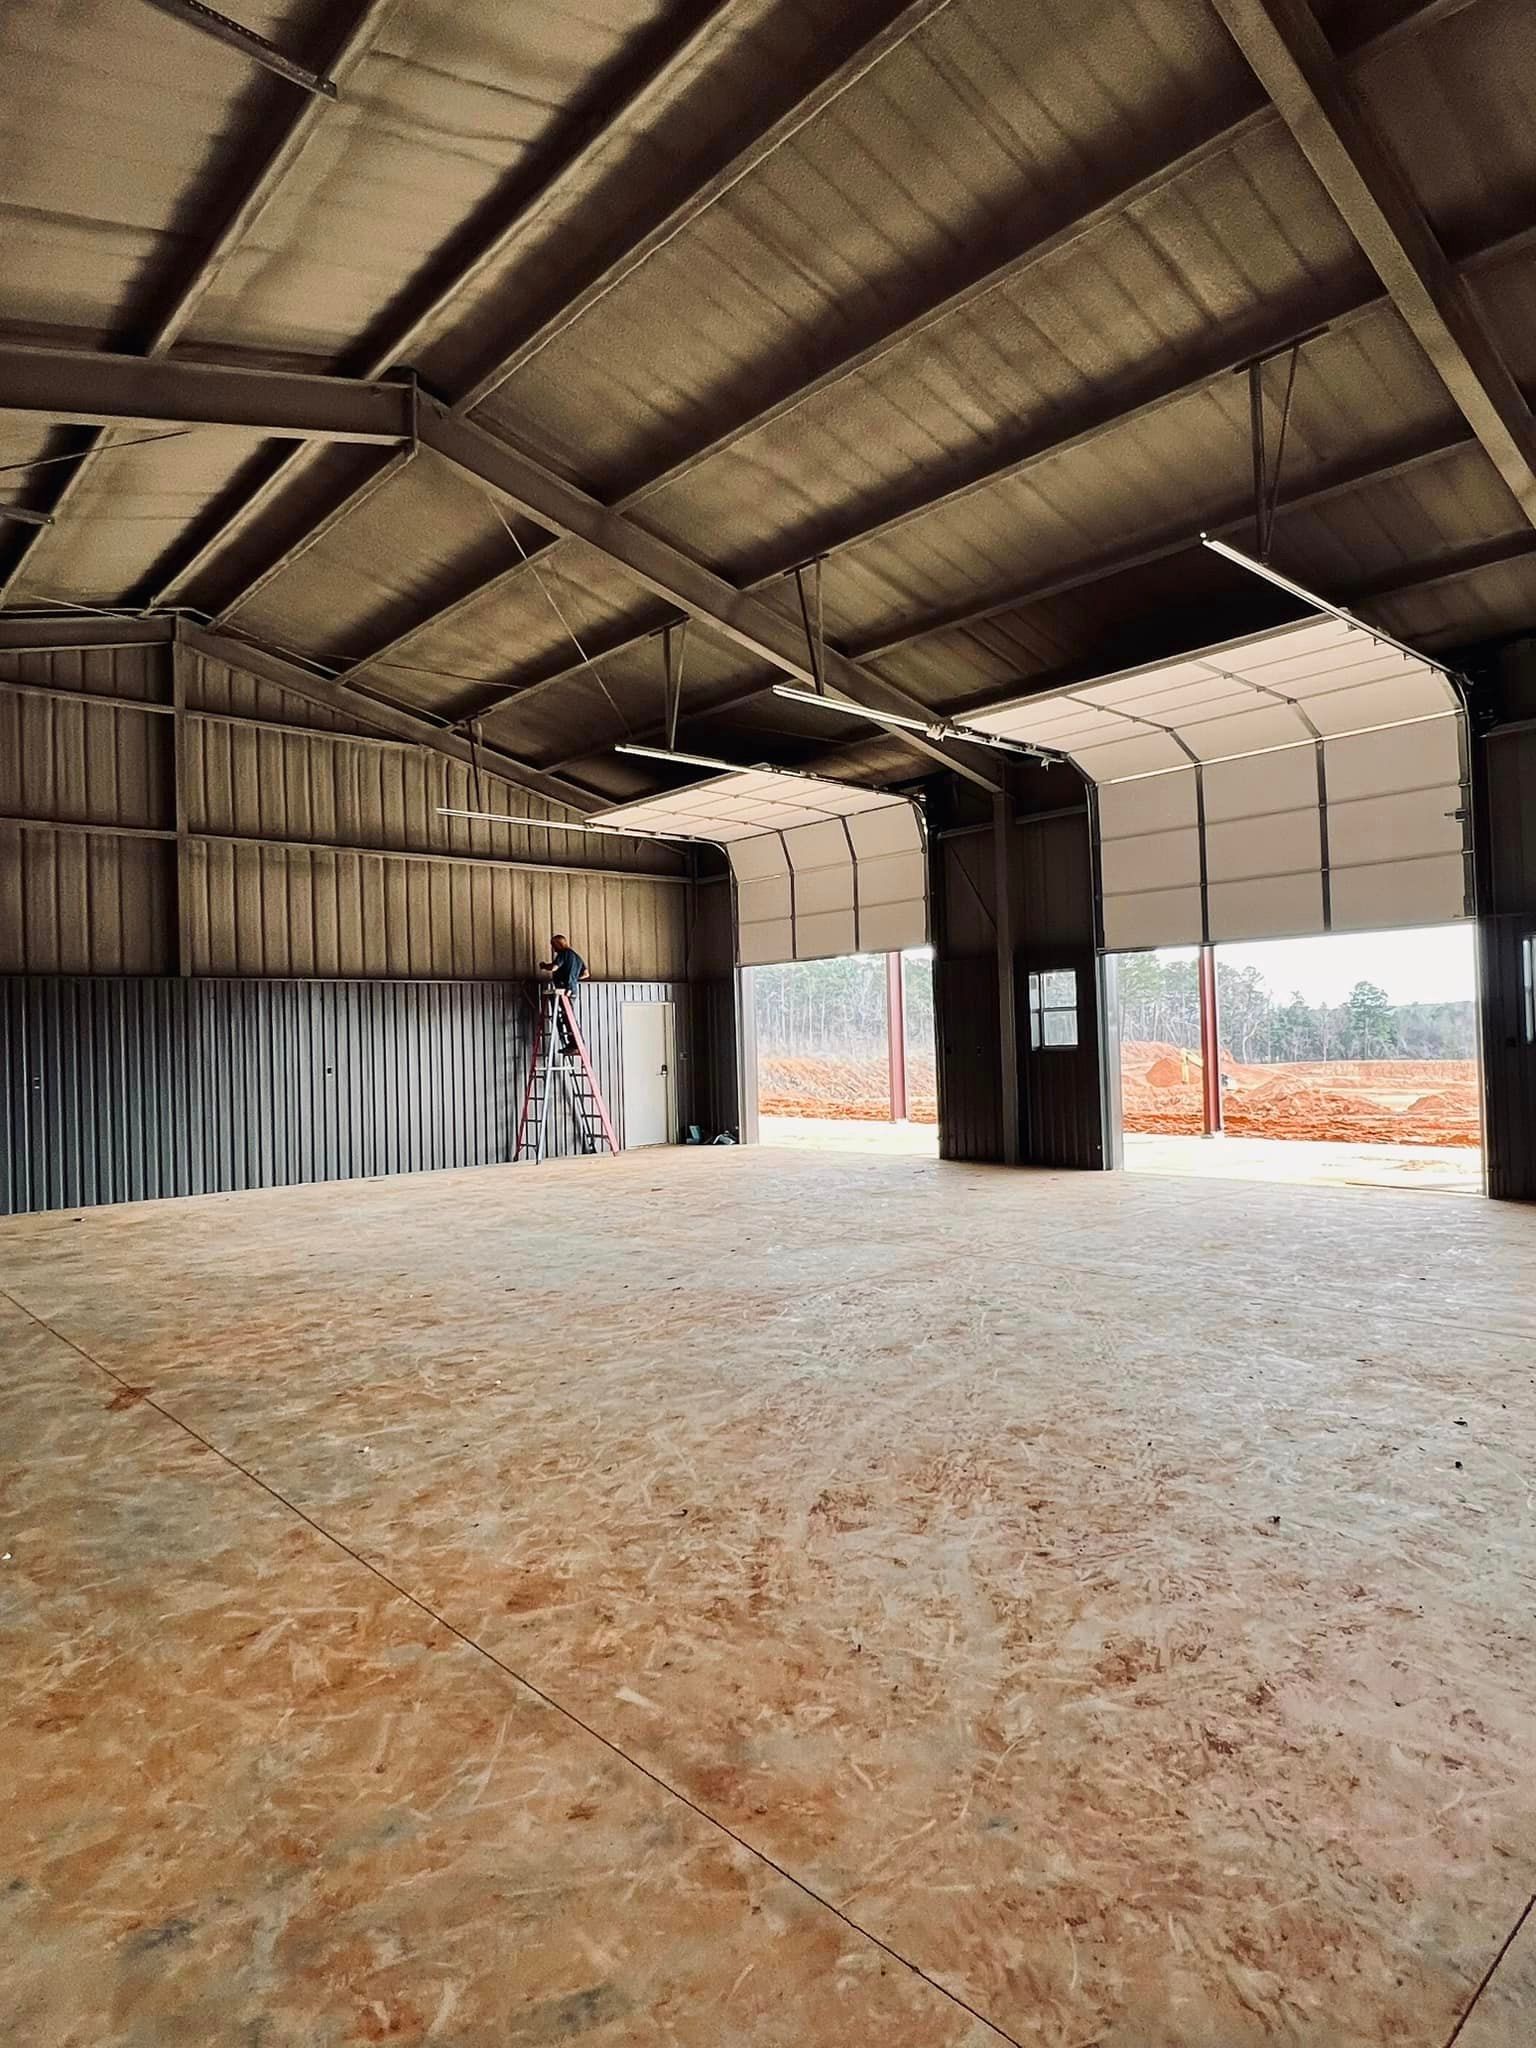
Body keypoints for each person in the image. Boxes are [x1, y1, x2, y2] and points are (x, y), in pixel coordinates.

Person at [538, 933, 586, 1052]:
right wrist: (573, 979)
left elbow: (554, 967)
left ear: (559, 944)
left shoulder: (563, 954)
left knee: (567, 1018)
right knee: (569, 1016)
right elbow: (586, 974)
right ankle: (575, 1043)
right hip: (572, 990)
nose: (553, 948)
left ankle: (575, 1044)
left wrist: (544, 966)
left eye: (553, 945)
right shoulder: (577, 957)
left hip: (564, 990)